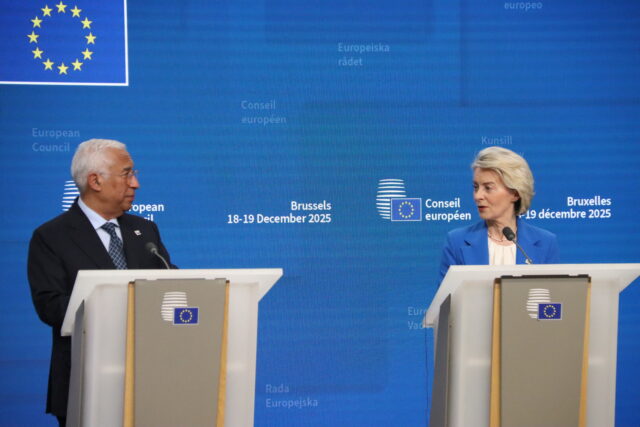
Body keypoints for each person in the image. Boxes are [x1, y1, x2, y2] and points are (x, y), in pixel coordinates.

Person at [27, 139, 174, 426]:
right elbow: (50, 307)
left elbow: (169, 283)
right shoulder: (51, 236)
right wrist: (119, 305)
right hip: (85, 381)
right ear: (95, 181)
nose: (135, 184)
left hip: (150, 379)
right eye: (127, 174)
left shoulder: (145, 230)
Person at [439, 146, 558, 281]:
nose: (478, 196)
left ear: (515, 193)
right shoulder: (456, 241)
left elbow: (551, 293)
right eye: (476, 187)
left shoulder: (545, 242)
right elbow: (446, 294)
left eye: (488, 188)